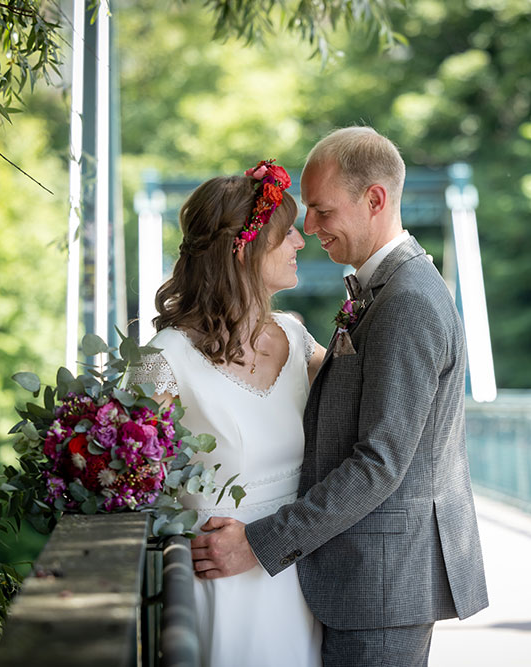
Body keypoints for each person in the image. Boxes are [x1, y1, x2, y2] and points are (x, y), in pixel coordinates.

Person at [190, 126, 489, 666]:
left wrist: (259, 543)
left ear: (374, 199)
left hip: (381, 580)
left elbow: (379, 464)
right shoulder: (386, 290)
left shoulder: (408, 301)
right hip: (363, 575)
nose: (307, 227)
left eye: (322, 211)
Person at [127, 160, 325, 667]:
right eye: (286, 234)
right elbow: (129, 477)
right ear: (244, 249)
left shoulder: (298, 339)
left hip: (300, 577)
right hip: (218, 584)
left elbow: (371, 404)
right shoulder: (161, 359)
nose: (301, 242)